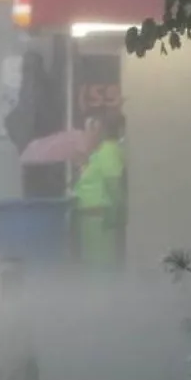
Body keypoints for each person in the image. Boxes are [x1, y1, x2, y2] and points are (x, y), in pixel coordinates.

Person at [73, 112, 126, 271]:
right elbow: (111, 185)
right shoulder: (105, 152)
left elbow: (111, 185)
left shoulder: (106, 151)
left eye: (93, 128)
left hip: (96, 217)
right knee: (98, 267)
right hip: (96, 219)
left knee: (98, 268)